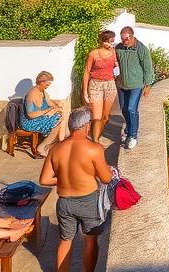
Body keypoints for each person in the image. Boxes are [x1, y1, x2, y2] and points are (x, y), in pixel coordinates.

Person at [40, 107, 114, 272]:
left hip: (64, 202)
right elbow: (106, 178)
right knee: (90, 240)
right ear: (87, 126)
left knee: (65, 241)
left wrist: (66, 178)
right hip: (88, 201)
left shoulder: (56, 149)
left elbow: (44, 179)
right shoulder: (94, 148)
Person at [115, 26, 155, 150]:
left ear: (132, 36)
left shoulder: (141, 49)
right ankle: (128, 130)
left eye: (126, 39)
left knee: (131, 109)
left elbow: (148, 68)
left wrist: (148, 85)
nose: (123, 41)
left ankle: (133, 136)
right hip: (122, 84)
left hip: (136, 85)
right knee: (124, 109)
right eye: (122, 39)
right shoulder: (118, 48)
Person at [82, 30, 119, 143]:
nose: (110, 44)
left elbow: (116, 67)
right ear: (102, 41)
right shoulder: (93, 54)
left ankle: (97, 136)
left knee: (105, 117)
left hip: (110, 84)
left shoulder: (113, 52)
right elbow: (87, 72)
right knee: (96, 117)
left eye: (112, 41)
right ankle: (95, 141)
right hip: (96, 84)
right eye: (108, 41)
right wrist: (85, 91)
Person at [20, 70, 68, 157]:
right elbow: (31, 115)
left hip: (39, 118)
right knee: (58, 121)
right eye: (47, 85)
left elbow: (50, 104)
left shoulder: (43, 92)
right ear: (41, 82)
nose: (47, 87)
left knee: (62, 116)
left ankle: (61, 144)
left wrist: (58, 107)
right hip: (30, 122)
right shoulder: (32, 94)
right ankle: (42, 148)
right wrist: (48, 112)